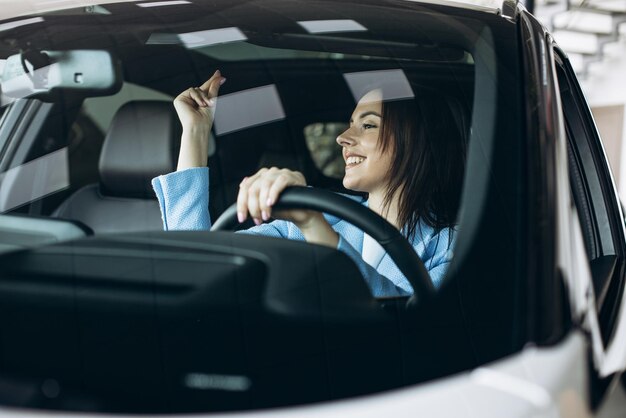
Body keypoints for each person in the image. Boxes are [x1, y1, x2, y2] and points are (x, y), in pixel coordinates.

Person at [151, 70, 467, 297]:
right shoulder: (303, 218)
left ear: (419, 141)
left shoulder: (453, 247)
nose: (343, 138)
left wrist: (314, 225)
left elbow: (409, 322)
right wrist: (195, 132)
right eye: (350, 124)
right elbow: (197, 269)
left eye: (368, 125)